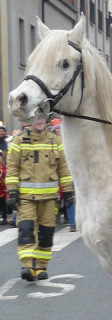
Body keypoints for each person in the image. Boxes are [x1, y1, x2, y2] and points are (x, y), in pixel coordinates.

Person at [6, 114, 73, 281]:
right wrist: (12, 192)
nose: (39, 122)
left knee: (46, 233)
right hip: (26, 197)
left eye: (42, 119)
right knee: (26, 230)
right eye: (36, 119)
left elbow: (64, 169)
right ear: (29, 122)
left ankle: (41, 266)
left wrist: (68, 191)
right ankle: (28, 265)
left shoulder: (55, 141)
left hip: (49, 198)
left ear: (46, 121)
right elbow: (12, 168)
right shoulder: (19, 141)